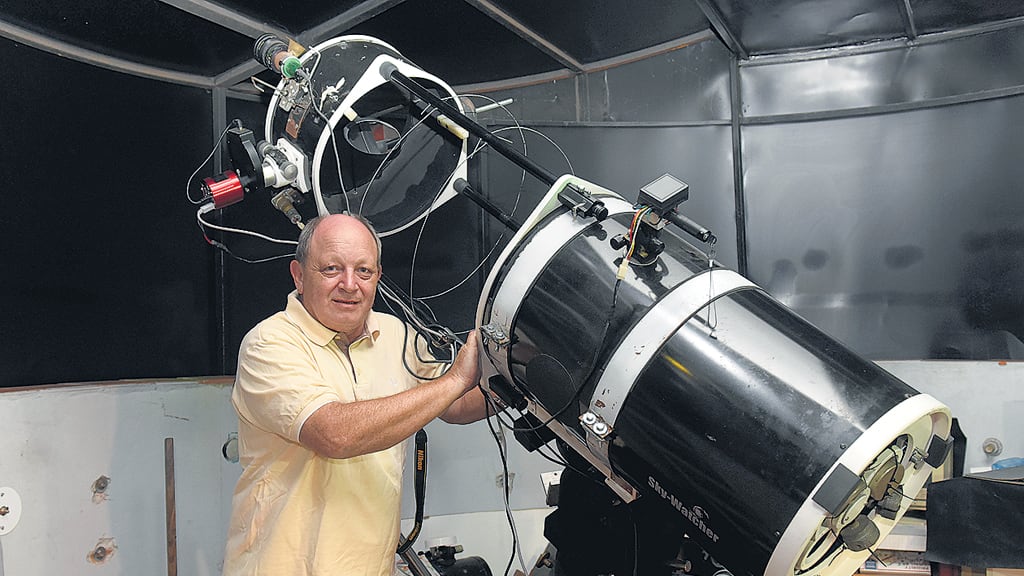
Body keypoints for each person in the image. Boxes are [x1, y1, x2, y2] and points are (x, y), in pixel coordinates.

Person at [222, 213, 488, 576]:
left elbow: (453, 404)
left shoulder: (395, 334)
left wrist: (516, 385)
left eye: (364, 271)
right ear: (299, 275)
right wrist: (456, 378)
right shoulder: (269, 344)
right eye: (332, 269)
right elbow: (335, 434)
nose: (350, 284)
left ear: (378, 277)